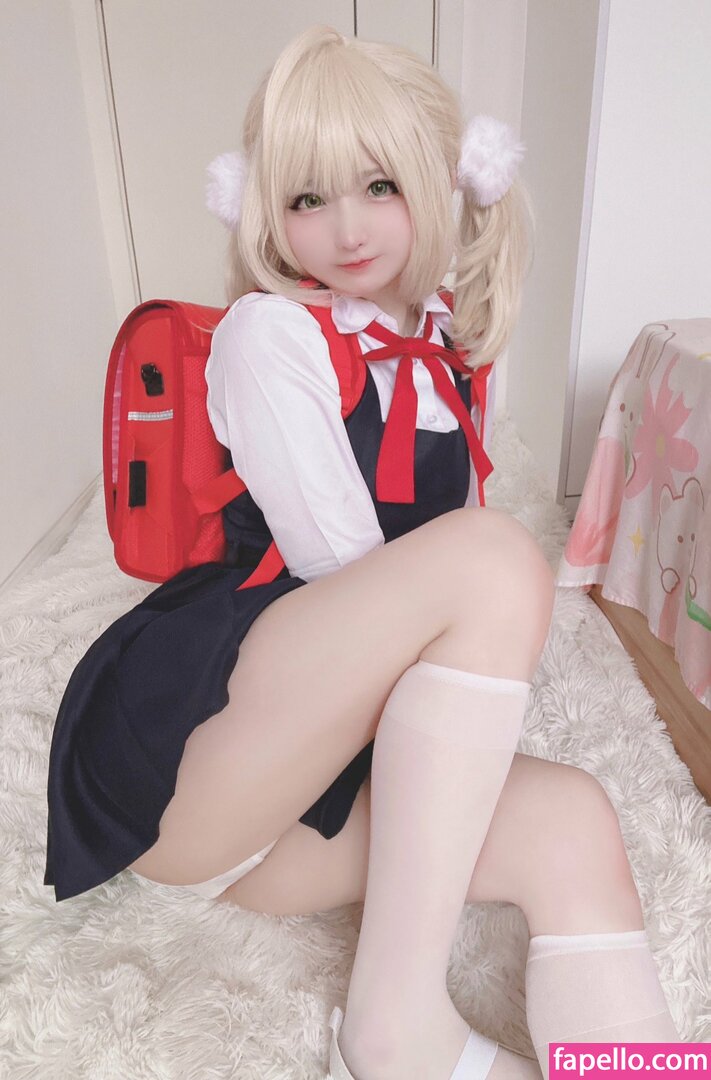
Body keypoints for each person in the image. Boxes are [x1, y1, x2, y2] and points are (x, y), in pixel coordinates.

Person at [43, 24, 680, 1080]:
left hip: (296, 818)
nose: (345, 229)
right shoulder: (271, 335)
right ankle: (391, 1023)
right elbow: (353, 575)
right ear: (266, 210)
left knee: (576, 821)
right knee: (494, 557)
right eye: (307, 198)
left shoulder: (440, 344)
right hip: (201, 761)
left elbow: (445, 634)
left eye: (379, 185)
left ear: (443, 178)